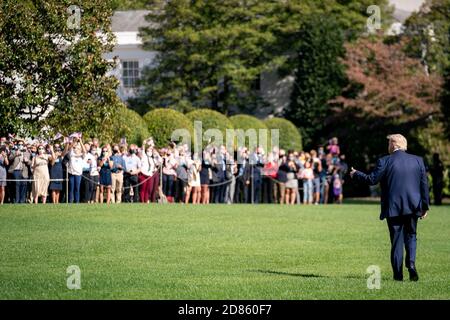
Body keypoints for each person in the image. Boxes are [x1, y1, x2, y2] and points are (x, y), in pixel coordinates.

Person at [351, 134, 429, 281]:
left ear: (394, 145)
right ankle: (411, 264)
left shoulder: (385, 161)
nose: (388, 146)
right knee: (411, 236)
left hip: (393, 207)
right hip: (413, 206)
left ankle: (398, 276)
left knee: (396, 241)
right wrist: (425, 206)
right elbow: (424, 185)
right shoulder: (418, 161)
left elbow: (372, 179)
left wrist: (356, 174)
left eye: (389, 143)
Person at [64, 137, 87, 203]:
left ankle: (77, 202)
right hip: (71, 173)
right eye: (75, 148)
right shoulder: (71, 154)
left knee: (77, 188)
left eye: (78, 148)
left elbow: (84, 151)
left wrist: (81, 142)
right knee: (71, 188)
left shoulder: (82, 156)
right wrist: (75, 141)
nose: (76, 149)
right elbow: (70, 148)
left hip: (78, 174)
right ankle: (70, 202)